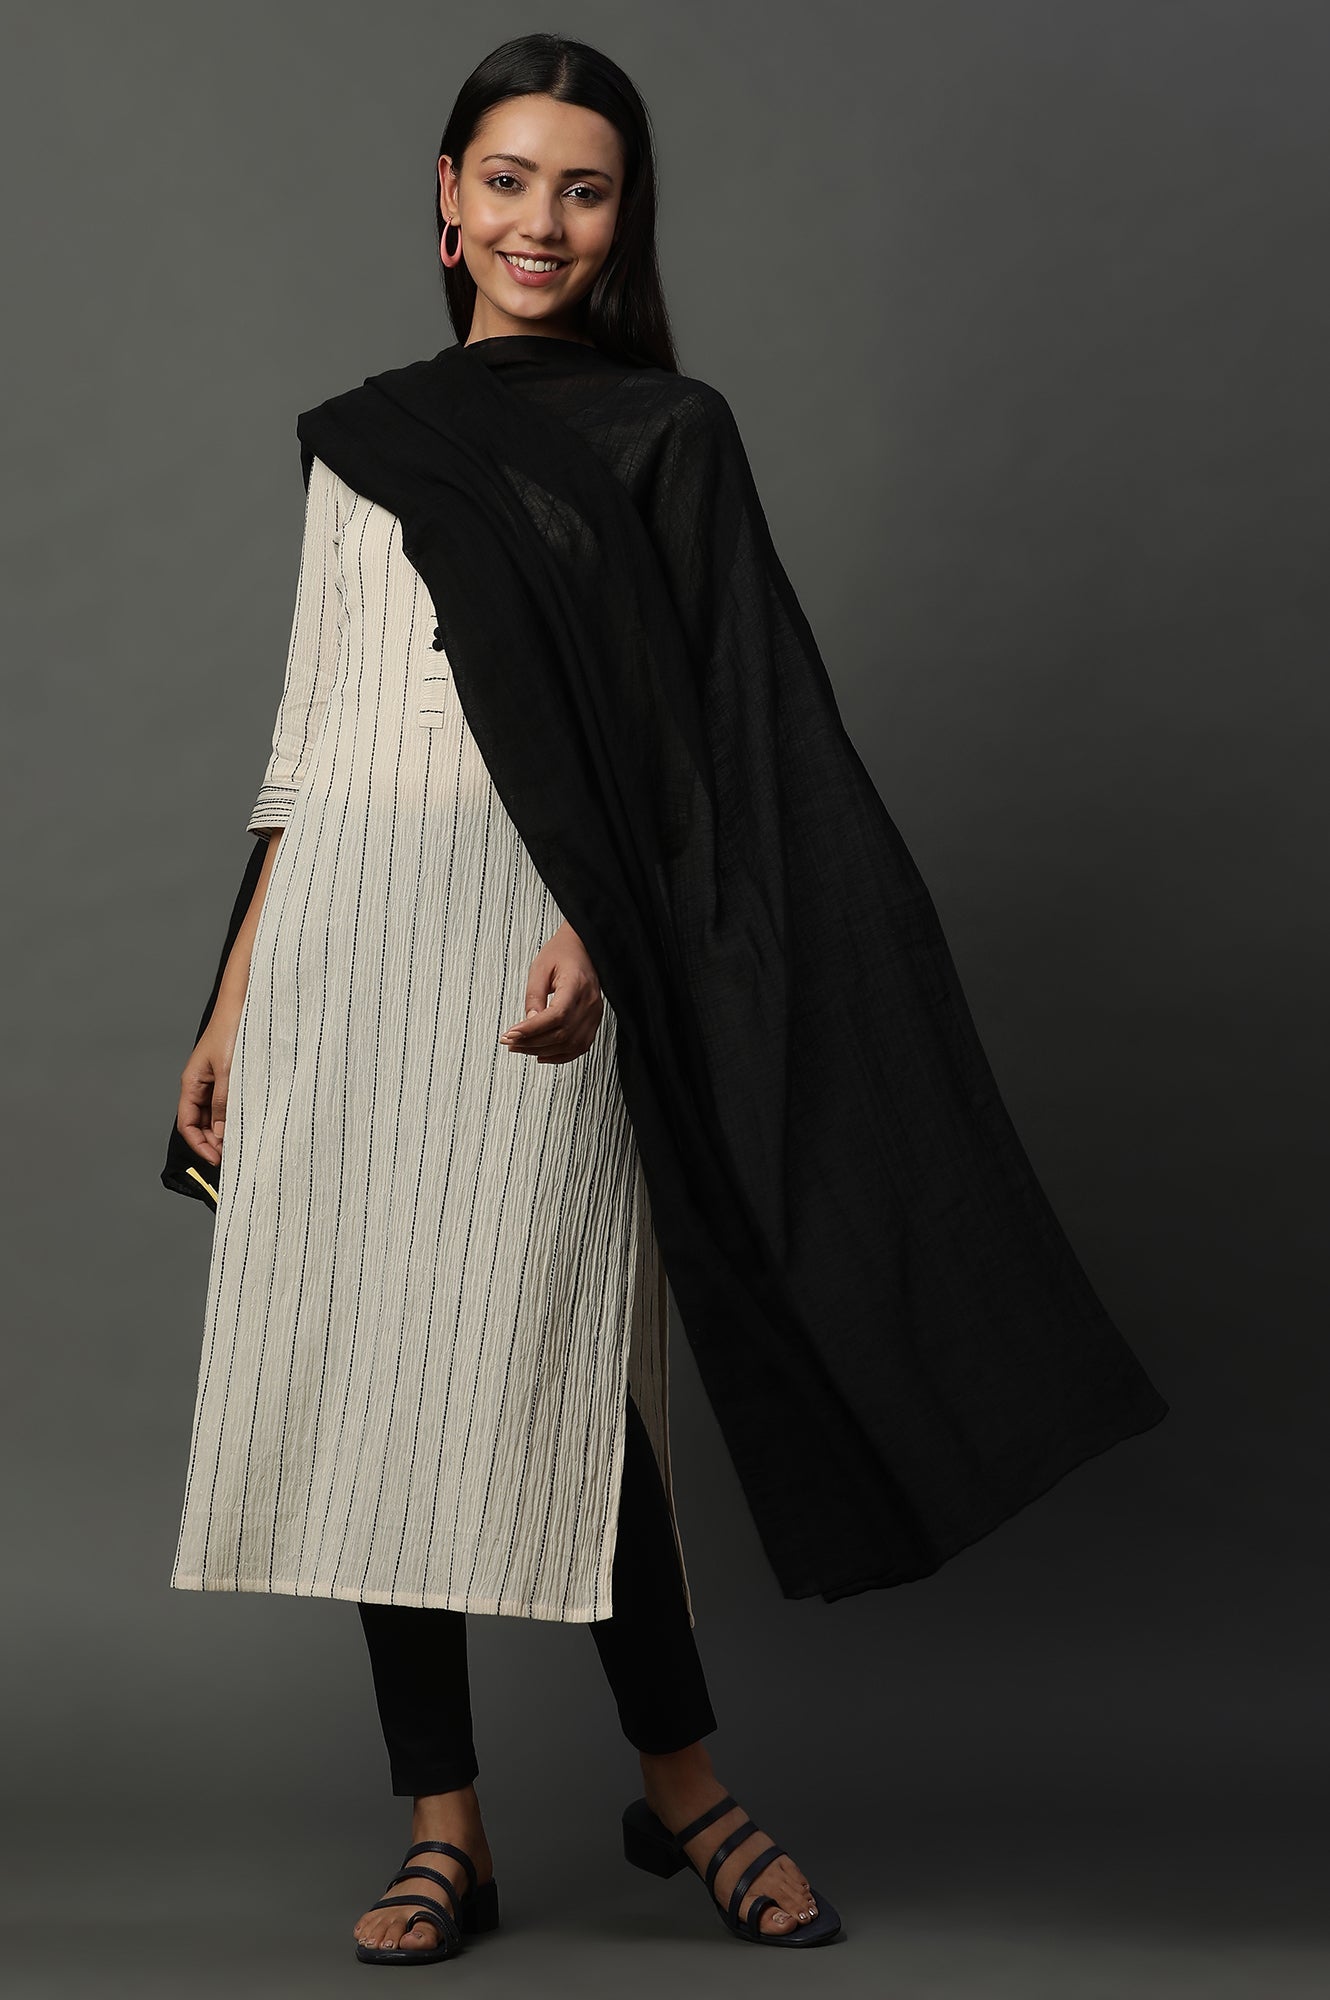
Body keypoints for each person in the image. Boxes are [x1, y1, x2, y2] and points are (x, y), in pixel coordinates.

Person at [166, 29, 1165, 1968]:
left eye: (584, 188)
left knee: (567, 1383)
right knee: (371, 1379)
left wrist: (610, 929)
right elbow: (307, 735)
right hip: (339, 953)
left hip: (540, 947)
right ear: (445, 202)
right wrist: (230, 999)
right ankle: (441, 1829)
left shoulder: (663, 433)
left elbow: (712, 749)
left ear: (623, 221)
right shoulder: (362, 436)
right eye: (508, 180)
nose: (540, 221)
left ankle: (686, 1792)